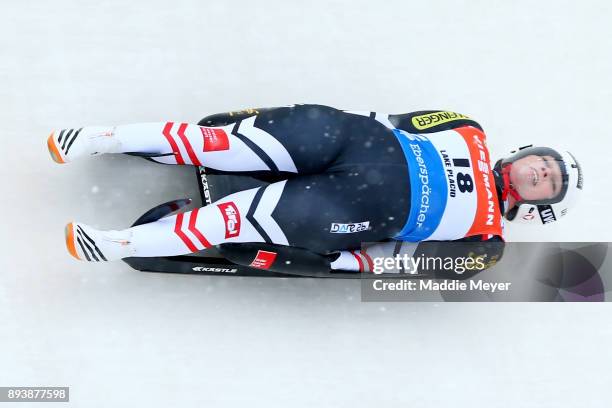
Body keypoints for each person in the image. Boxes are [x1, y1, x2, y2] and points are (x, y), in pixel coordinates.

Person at [47, 104, 583, 273]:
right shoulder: (468, 126)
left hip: (351, 208)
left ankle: (118, 243)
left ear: (539, 207)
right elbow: (391, 116)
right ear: (527, 152)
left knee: (233, 220)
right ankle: (99, 138)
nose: (539, 173)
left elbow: (406, 264)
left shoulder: (487, 245)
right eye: (544, 163)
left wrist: (341, 263)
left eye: (549, 184)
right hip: (346, 141)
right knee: (214, 141)